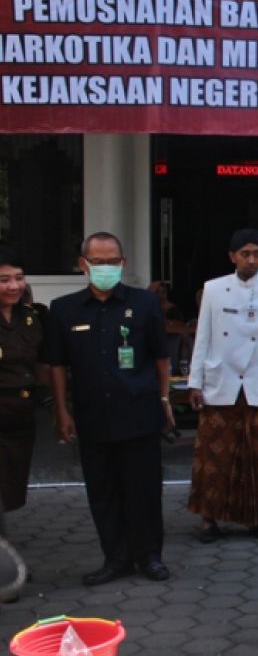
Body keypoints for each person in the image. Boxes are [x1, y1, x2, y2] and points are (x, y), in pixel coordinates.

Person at [47, 232, 173, 584]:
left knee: (144, 490)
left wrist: (164, 400)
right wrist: (61, 411)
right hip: (92, 416)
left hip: (139, 413)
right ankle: (115, 559)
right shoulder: (64, 309)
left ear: (123, 263)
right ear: (82, 264)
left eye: (112, 261)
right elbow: (57, 364)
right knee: (103, 492)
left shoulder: (145, 304)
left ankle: (149, 557)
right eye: (97, 261)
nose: (105, 267)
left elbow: (161, 358)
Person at [185, 229, 258, 542]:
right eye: (245, 254)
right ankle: (209, 519)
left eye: (257, 254)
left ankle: (256, 518)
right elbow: (203, 337)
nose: (251, 260)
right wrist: (195, 382)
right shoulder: (213, 289)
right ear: (232, 256)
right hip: (219, 379)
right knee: (214, 454)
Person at [0, 247, 48, 532]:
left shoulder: (33, 317)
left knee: (9, 490)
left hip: (20, 417)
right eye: (4, 279)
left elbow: (43, 365)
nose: (14, 286)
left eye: (19, 278)